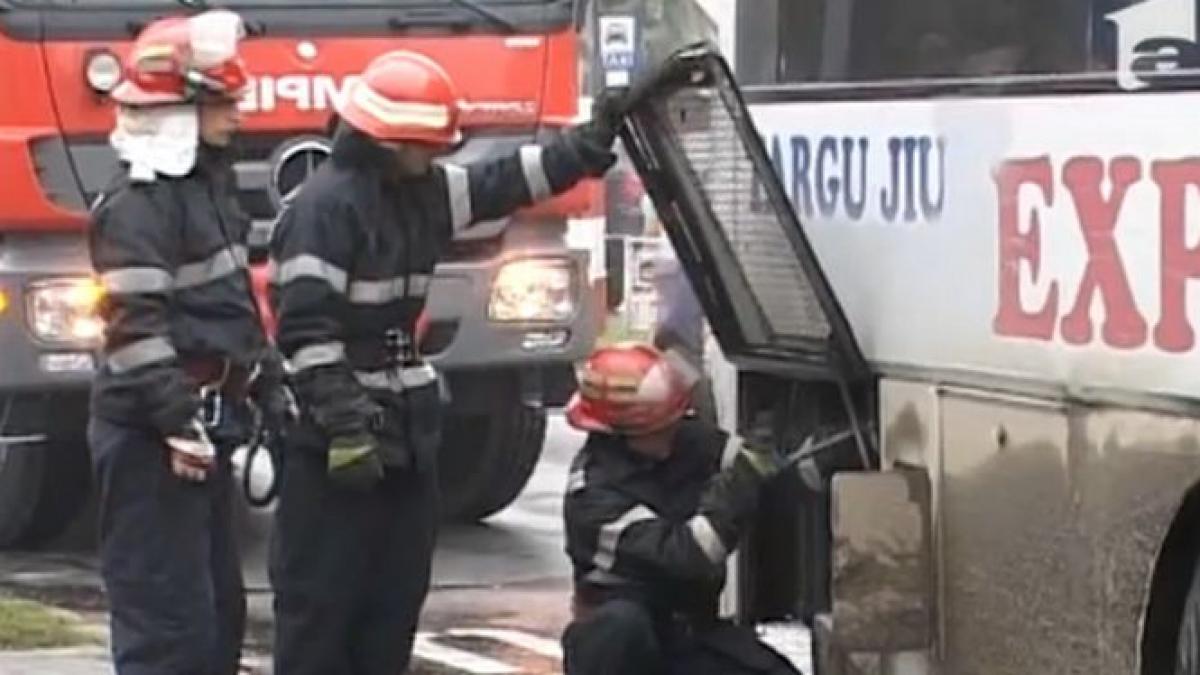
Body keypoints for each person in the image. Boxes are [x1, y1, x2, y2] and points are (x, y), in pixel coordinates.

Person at [268, 50, 624, 674]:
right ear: (386, 140)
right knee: (323, 615)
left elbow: (502, 182)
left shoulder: (420, 190)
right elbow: (304, 330)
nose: (433, 156)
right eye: (422, 145)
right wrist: (345, 424)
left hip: (401, 439)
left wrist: (584, 147)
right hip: (334, 454)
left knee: (391, 608)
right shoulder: (323, 210)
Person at [87, 9, 284, 674]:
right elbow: (136, 326)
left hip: (199, 426)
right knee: (168, 629)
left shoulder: (204, 189)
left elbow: (227, 304)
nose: (238, 115)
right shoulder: (139, 206)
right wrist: (177, 420)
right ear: (178, 111)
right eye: (223, 102)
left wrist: (260, 378)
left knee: (214, 621)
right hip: (154, 440)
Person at [560, 343, 803, 675]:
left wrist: (797, 462)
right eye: (659, 429)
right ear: (620, 434)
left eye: (673, 423)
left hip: (687, 632)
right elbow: (689, 555)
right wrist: (739, 484)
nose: (672, 434)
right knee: (622, 626)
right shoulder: (592, 497)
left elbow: (753, 460)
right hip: (624, 650)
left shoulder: (680, 440)